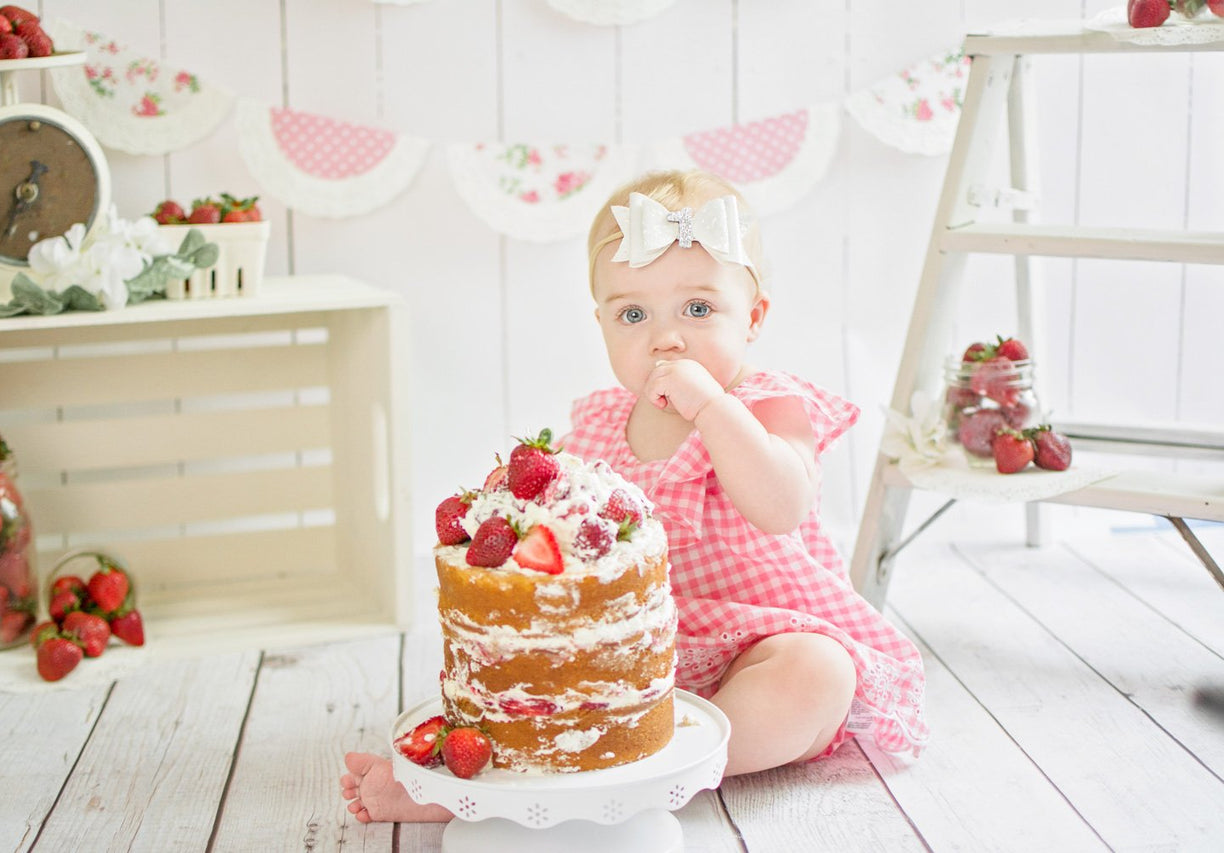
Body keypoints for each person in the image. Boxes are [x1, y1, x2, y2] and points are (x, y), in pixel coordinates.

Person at [340, 168, 927, 824]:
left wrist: (711, 405)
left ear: (754, 316)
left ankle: (657, 771)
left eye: (698, 309)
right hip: (622, 666)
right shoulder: (596, 424)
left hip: (757, 646)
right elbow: (549, 525)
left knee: (818, 674)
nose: (665, 337)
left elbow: (781, 504)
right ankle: (471, 787)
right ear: (602, 324)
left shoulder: (767, 404)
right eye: (633, 314)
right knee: (524, 682)